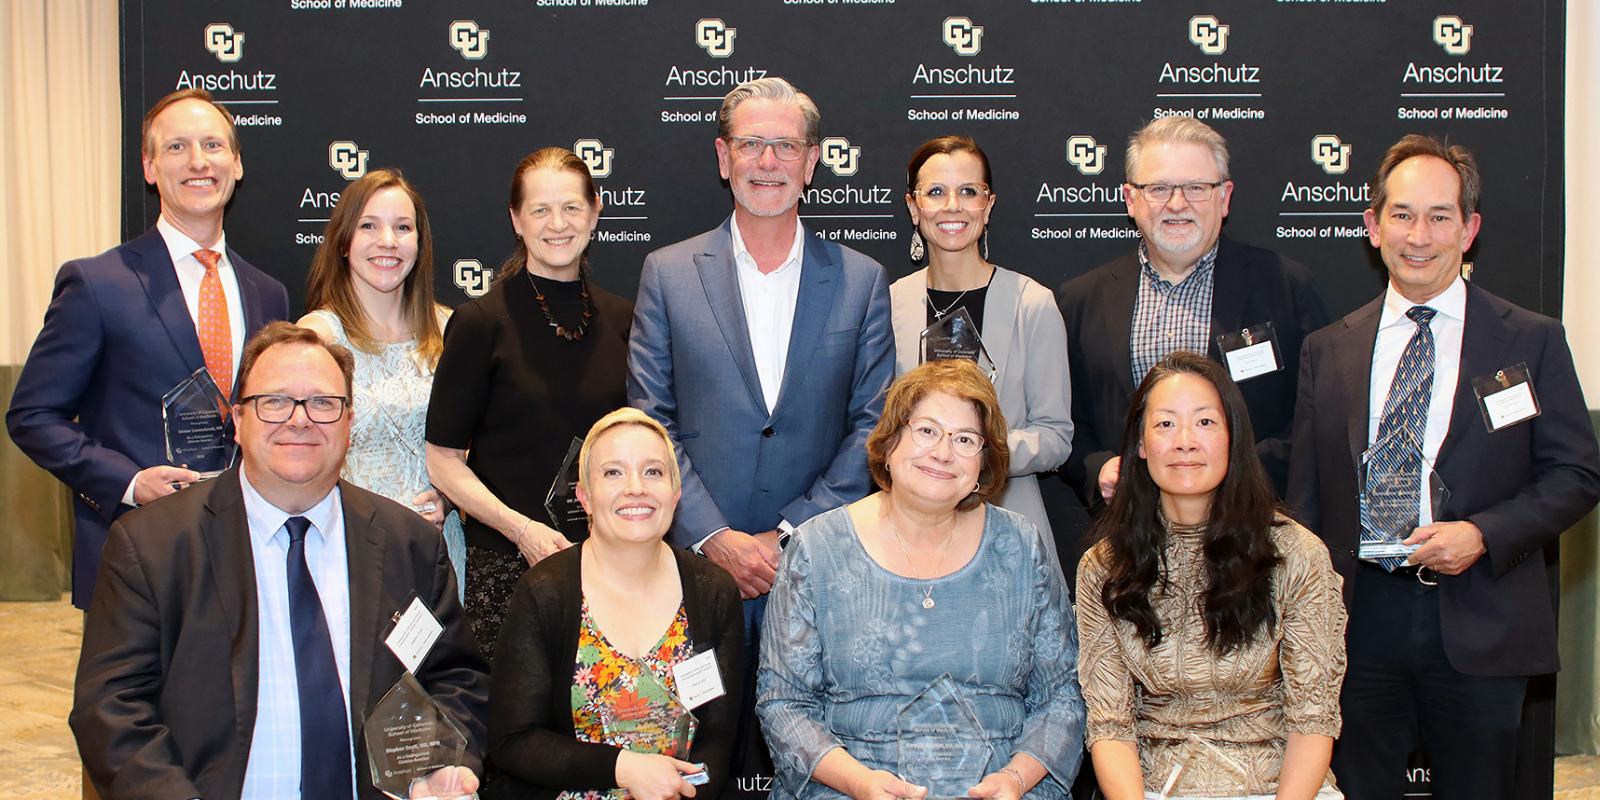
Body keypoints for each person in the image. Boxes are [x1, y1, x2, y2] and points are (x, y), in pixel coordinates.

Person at [1288, 135, 1600, 800]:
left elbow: (1577, 474)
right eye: (1401, 215)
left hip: (1481, 617)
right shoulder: (1328, 349)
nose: (1419, 235)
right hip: (1359, 624)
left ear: (1470, 228)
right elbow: (1307, 499)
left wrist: (1483, 533)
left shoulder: (1531, 339)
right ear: (1373, 228)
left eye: (1439, 216)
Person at [70, 322, 489, 800]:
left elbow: (456, 678)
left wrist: (440, 765)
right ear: (236, 420)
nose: (300, 420)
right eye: (274, 402)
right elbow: (111, 707)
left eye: (323, 403)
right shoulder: (152, 545)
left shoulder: (409, 544)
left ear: (349, 421)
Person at [627, 76, 894, 767]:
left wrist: (787, 535)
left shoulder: (862, 280)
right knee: (694, 761)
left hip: (815, 573)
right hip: (691, 573)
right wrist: (713, 536)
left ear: (811, 162)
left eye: (785, 146)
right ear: (724, 157)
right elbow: (650, 421)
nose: (767, 162)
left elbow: (873, 425)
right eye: (751, 144)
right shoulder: (668, 272)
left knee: (810, 762)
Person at [6, 88, 289, 610]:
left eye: (212, 145)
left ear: (237, 163)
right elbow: (31, 415)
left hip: (251, 551)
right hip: (136, 552)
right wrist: (129, 481)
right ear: (150, 167)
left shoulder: (268, 293)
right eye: (177, 147)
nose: (198, 161)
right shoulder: (97, 284)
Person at [758, 359, 1084, 800]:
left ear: (983, 464)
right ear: (890, 441)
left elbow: (1061, 696)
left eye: (966, 439)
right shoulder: (817, 548)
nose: (943, 452)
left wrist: (1015, 781)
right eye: (927, 430)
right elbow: (784, 704)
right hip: (849, 789)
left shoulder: (1021, 547)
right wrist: (860, 783)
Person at [1077, 351, 1345, 800]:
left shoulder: (1296, 554)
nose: (1185, 441)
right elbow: (1110, 724)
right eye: (1165, 424)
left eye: (1205, 423)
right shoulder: (1104, 567)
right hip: (1154, 790)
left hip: (1278, 787)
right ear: (1140, 445)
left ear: (1232, 438)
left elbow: (1313, 716)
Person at [1057, 117, 1328, 528]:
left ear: (1225, 197)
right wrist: (1099, 468)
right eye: (1159, 188)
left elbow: (1317, 413)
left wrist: (1241, 476)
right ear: (1131, 199)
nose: (1178, 204)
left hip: (1253, 534)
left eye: (1197, 188)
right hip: (1130, 540)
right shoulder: (1081, 300)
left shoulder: (1285, 286)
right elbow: (1062, 416)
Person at [428, 147, 634, 661]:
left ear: (596, 210)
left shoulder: (626, 320)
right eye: (540, 210)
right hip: (507, 568)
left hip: (608, 566)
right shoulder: (480, 323)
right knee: (513, 733)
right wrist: (522, 532)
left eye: (571, 207)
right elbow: (443, 460)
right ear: (516, 220)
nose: (557, 224)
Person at [488, 408, 744, 800]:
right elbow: (513, 741)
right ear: (584, 496)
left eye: (653, 472)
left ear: (676, 494)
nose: (636, 487)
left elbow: (718, 737)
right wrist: (624, 768)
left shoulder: (714, 592)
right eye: (613, 472)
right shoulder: (544, 593)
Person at [889, 135, 1072, 561]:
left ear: (987, 206)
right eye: (935, 192)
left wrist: (972, 452)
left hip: (1006, 533)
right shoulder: (888, 303)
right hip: (904, 536)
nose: (952, 205)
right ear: (914, 208)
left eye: (968, 191)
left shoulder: (1032, 304)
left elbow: (1055, 435)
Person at [298, 168, 465, 588]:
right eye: (368, 226)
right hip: (352, 549)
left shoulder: (452, 330)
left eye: (402, 227)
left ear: (419, 242)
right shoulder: (318, 336)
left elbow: (480, 445)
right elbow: (300, 452)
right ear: (343, 242)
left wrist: (451, 497)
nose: (388, 241)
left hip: (441, 552)